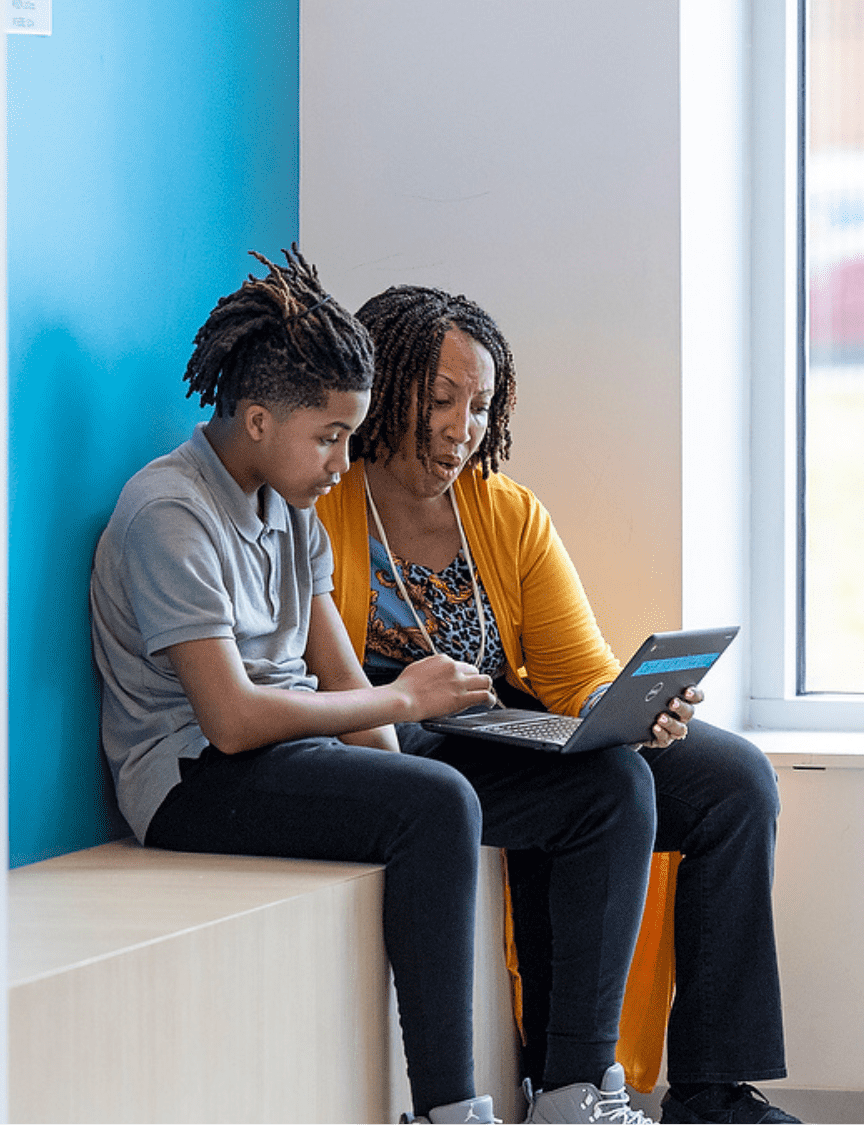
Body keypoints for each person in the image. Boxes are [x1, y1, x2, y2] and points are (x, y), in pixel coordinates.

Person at [88, 249, 659, 1125]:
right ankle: (448, 1110)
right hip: (193, 779)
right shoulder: (170, 513)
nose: (343, 459)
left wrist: (405, 747)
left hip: (297, 750)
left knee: (604, 784)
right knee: (432, 804)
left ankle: (576, 1090)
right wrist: (406, 710)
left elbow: (341, 681)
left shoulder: (294, 510)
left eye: (349, 436)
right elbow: (234, 719)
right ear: (253, 420)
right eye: (329, 437)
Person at [314, 284, 802, 1125]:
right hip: (393, 740)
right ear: (384, 386)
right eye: (440, 399)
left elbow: (578, 676)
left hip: (501, 727)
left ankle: (713, 1088)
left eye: (480, 405)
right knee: (609, 789)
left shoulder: (506, 514)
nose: (462, 426)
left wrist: (638, 711)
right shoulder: (323, 507)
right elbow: (320, 684)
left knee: (735, 781)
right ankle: (571, 1079)